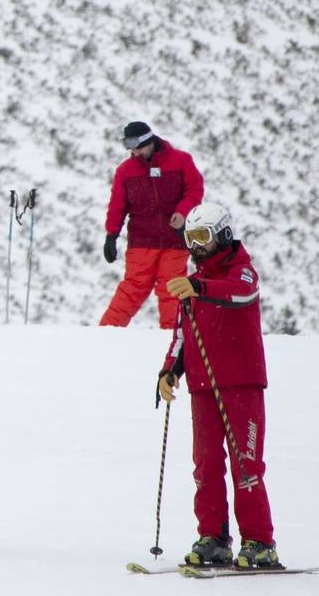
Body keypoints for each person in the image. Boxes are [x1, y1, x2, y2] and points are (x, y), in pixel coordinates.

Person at [155, 200, 281, 570]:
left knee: (246, 465)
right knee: (206, 465)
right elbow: (182, 333)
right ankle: (214, 537)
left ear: (222, 235)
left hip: (241, 383)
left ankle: (259, 541)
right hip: (202, 385)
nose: (195, 245)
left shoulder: (241, 272)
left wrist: (197, 285)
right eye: (190, 237)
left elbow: (238, 293)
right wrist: (169, 371)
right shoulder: (192, 284)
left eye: (203, 237)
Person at [99, 119, 204, 328]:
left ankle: (173, 337)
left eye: (138, 148)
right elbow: (117, 206)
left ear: (150, 142)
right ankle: (106, 332)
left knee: (172, 290)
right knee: (132, 289)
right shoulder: (125, 171)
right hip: (141, 242)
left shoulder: (181, 161)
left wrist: (182, 213)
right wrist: (111, 236)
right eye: (130, 149)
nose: (134, 153)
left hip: (175, 240)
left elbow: (194, 190)